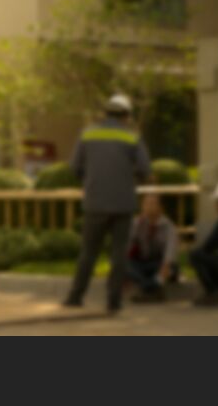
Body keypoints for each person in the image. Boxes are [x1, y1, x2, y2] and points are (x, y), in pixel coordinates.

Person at [64, 94, 151, 313]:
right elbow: (144, 169)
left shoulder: (88, 133)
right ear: (127, 116)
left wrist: (91, 180)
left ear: (106, 113)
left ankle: (75, 297)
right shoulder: (132, 137)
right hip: (123, 203)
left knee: (88, 252)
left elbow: (74, 167)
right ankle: (114, 302)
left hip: (94, 202)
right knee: (119, 253)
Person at [126, 194, 178, 302]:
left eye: (152, 204)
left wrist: (165, 266)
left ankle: (147, 289)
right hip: (142, 263)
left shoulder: (168, 226)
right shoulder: (137, 223)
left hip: (159, 263)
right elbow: (126, 246)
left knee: (172, 269)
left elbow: (170, 251)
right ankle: (153, 289)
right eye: (145, 204)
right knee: (124, 266)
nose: (148, 207)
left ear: (160, 208)